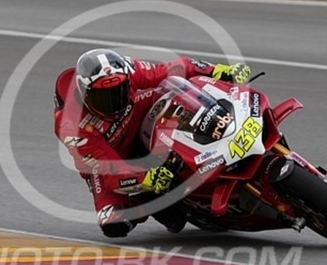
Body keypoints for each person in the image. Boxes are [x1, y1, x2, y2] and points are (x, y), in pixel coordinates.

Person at [53, 48, 251, 238]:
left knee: (175, 86)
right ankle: (158, 199)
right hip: (112, 157)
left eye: (119, 91)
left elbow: (173, 68)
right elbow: (110, 172)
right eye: (103, 98)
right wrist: (145, 178)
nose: (114, 103)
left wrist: (216, 70)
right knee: (113, 222)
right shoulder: (72, 126)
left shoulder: (128, 70)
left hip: (142, 113)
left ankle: (221, 126)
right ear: (84, 93)